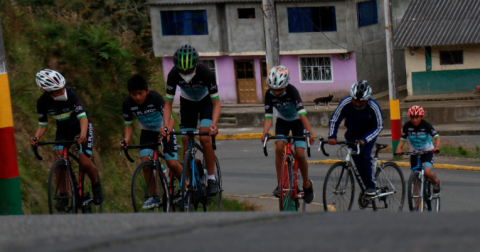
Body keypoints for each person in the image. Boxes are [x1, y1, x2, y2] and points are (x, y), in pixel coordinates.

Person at [30, 69, 103, 208]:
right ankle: (63, 195)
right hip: (63, 131)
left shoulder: (70, 94)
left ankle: (96, 186)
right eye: (57, 90)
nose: (62, 91)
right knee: (58, 157)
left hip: (81, 126)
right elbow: (43, 125)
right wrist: (36, 136)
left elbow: (82, 117)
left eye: (62, 88)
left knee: (85, 163)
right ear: (47, 92)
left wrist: (83, 134)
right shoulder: (42, 103)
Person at [160, 44, 221, 196]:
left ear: (197, 64)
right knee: (186, 139)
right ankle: (192, 178)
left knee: (205, 137)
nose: (186, 74)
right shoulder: (173, 75)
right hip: (187, 103)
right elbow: (167, 104)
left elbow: (216, 103)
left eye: (189, 70)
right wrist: (165, 126)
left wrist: (214, 124)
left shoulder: (207, 73)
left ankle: (212, 179)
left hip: (206, 102)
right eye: (182, 71)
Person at [122, 74, 183, 209]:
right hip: (148, 132)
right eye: (134, 94)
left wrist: (167, 130)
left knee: (172, 163)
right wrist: (126, 139)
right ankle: (153, 196)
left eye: (140, 93)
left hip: (164, 127)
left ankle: (187, 187)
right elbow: (128, 125)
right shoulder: (127, 104)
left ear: (147, 91)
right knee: (145, 164)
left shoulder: (154, 98)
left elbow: (171, 118)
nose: (137, 97)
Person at [260, 65, 315, 203]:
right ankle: (280, 184)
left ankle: (307, 184)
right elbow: (268, 117)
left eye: (279, 89)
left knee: (300, 154)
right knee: (279, 148)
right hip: (282, 121)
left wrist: (310, 132)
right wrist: (265, 133)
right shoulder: (268, 95)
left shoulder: (292, 91)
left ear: (286, 85)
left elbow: (302, 114)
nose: (277, 93)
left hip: (297, 121)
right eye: (274, 89)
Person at [328, 80, 383, 196]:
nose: (357, 104)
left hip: (368, 134)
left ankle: (371, 186)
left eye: (361, 102)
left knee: (364, 156)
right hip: (352, 133)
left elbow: (379, 127)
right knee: (357, 160)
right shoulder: (346, 103)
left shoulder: (373, 106)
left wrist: (365, 139)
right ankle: (364, 188)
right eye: (355, 100)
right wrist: (332, 136)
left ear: (367, 99)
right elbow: (335, 119)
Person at [395, 105, 441, 194]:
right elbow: (403, 139)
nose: (414, 120)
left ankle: (436, 182)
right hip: (414, 152)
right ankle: (417, 205)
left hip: (427, 151)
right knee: (415, 178)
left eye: (417, 117)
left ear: (421, 117)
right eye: (412, 117)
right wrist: (399, 148)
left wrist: (436, 147)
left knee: (427, 172)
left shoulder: (426, 125)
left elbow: (437, 137)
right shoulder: (407, 126)